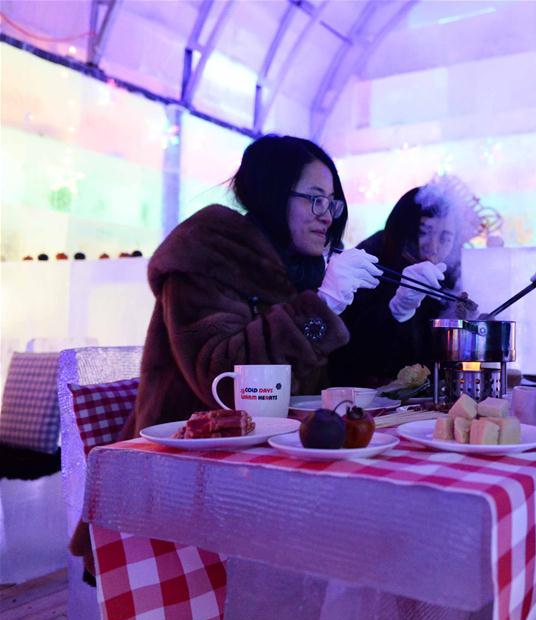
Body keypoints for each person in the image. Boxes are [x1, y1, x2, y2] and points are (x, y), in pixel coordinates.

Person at [70, 135, 382, 574]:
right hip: (183, 479)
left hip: (263, 468)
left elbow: (326, 380)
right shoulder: (206, 259)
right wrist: (321, 306)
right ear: (272, 193)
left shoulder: (298, 268)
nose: (327, 215)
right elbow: (222, 378)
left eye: (332, 202)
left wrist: (391, 313)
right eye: (315, 199)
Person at [329, 175, 479, 387]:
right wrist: (396, 310)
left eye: (445, 238)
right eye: (424, 232)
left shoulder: (450, 274)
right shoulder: (368, 262)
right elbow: (353, 354)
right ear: (403, 229)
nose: (433, 247)